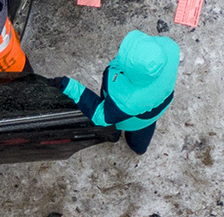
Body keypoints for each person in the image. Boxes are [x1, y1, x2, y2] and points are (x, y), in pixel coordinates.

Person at [43, 30, 179, 153]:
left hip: (133, 119)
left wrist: (68, 86)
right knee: (145, 128)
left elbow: (101, 116)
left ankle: (117, 137)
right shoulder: (170, 48)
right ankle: (139, 147)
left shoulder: (127, 100)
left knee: (121, 126)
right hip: (155, 107)